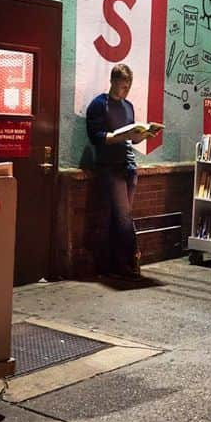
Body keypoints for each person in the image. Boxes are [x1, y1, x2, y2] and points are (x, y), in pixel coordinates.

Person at [85, 64, 155, 279]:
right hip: (110, 166)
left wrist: (142, 135)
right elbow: (95, 136)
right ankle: (129, 263)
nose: (125, 91)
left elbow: (131, 135)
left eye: (128, 87)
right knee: (123, 217)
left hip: (129, 165)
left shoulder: (128, 106)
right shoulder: (99, 105)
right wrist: (118, 137)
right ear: (113, 82)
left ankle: (116, 264)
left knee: (120, 216)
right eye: (122, 86)